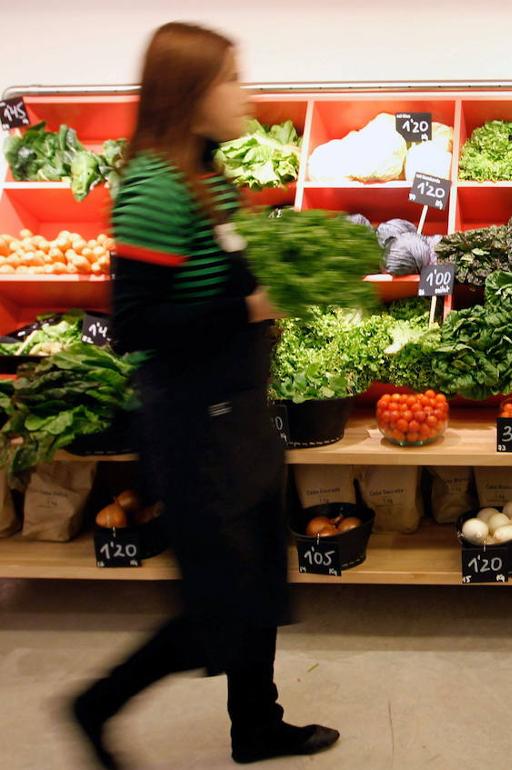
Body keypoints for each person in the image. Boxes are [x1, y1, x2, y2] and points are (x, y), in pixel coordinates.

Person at [70, 22, 338, 768]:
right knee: (215, 605)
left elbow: (216, 277)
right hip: (195, 423)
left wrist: (277, 279)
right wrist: (247, 308)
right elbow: (134, 323)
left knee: (257, 582)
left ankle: (256, 726)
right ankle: (95, 705)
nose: (245, 93)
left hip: (238, 410)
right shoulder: (153, 189)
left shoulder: (207, 176)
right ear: (190, 94)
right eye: (231, 78)